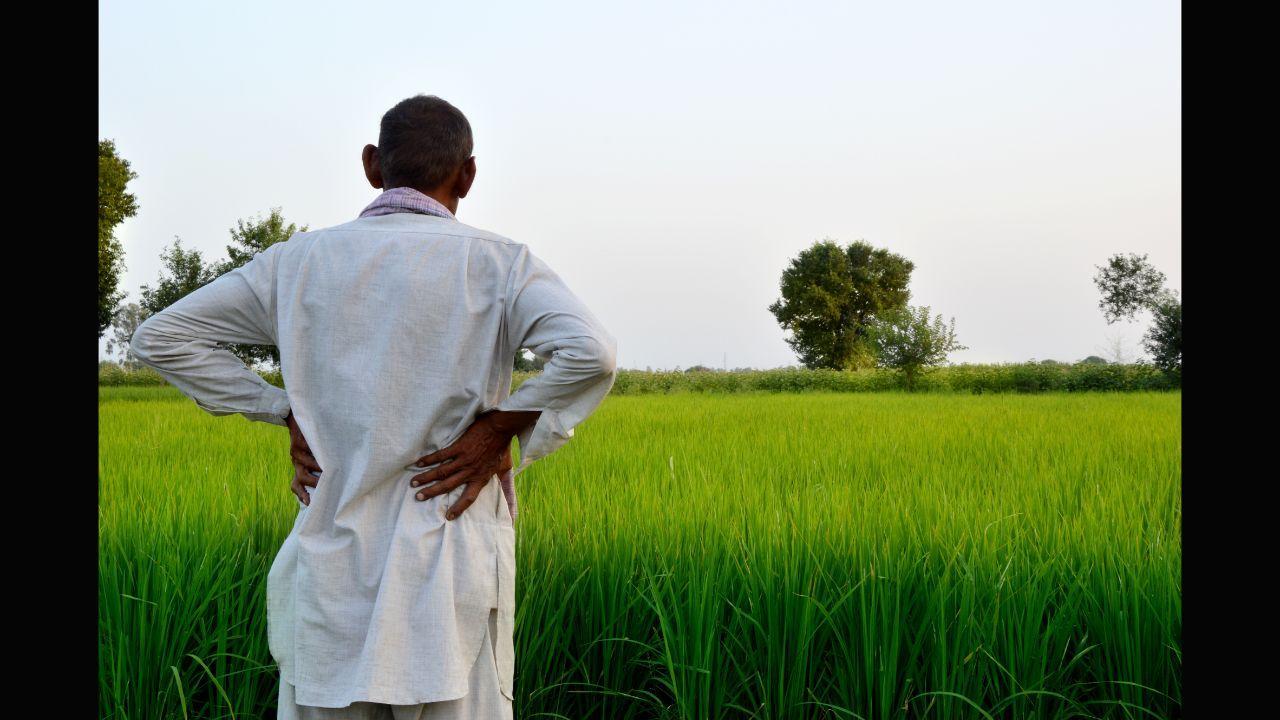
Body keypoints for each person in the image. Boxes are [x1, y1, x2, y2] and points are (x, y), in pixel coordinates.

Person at [130, 94, 618, 719]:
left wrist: (279, 409)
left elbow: (159, 337)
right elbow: (592, 352)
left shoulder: (296, 263)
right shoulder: (499, 264)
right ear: (467, 174)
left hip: (332, 581)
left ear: (371, 166)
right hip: (448, 574)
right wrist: (501, 425)